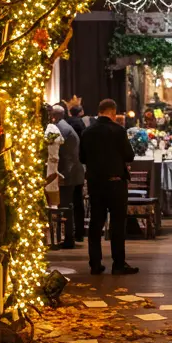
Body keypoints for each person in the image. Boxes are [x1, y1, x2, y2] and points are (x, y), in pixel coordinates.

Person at [79, 98, 139, 276]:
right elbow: (129, 155)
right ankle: (118, 264)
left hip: (95, 184)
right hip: (115, 183)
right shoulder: (118, 131)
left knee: (96, 224)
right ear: (113, 113)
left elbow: (82, 158)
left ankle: (95, 264)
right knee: (117, 225)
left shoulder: (87, 132)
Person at [50, 104, 85, 248]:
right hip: (72, 171)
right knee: (69, 205)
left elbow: (52, 145)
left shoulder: (61, 128)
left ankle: (69, 238)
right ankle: (71, 235)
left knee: (66, 206)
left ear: (54, 116)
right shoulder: (63, 126)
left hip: (68, 173)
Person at [66, 104, 87, 241]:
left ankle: (70, 230)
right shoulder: (80, 125)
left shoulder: (66, 125)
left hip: (68, 166)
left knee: (69, 200)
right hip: (78, 165)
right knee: (78, 200)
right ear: (80, 112)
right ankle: (79, 231)